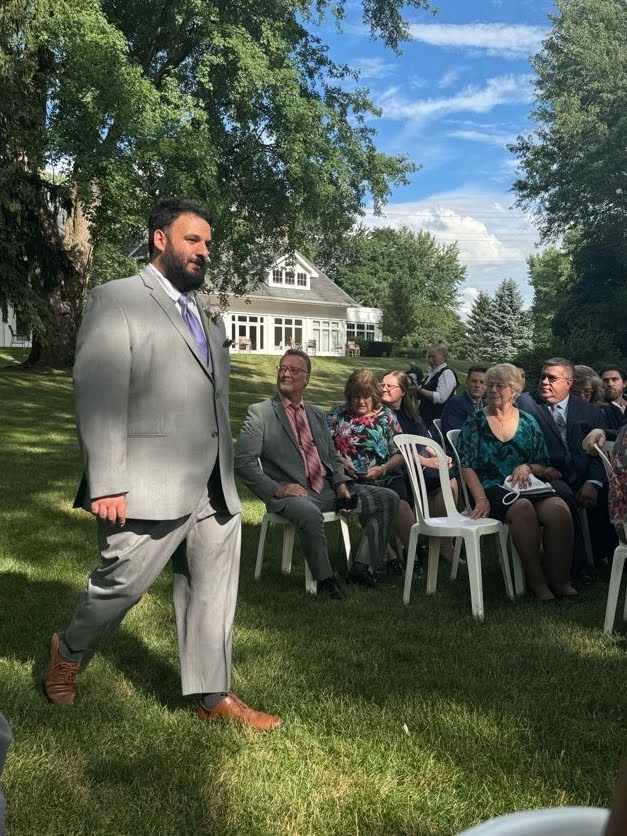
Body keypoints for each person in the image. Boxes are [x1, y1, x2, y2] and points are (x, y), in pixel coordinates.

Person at [43, 198, 281, 731]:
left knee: (213, 592)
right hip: (148, 478)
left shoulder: (203, 311)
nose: (203, 252)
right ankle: (69, 649)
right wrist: (107, 480)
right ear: (160, 239)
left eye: (207, 244)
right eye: (193, 240)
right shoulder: (117, 299)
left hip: (214, 484)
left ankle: (213, 694)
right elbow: (98, 393)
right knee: (120, 583)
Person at [234, 351, 399, 598]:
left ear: (307, 378)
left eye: (294, 370)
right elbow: (243, 462)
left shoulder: (316, 414)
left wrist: (342, 484)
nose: (286, 373)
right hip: (293, 494)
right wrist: (277, 489)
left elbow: (331, 455)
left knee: (387, 499)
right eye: (282, 368)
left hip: (327, 488)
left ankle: (362, 568)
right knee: (310, 514)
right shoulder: (261, 413)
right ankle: (325, 580)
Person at [457, 363, 576, 601]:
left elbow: (541, 463)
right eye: (490, 385)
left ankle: (560, 580)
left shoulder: (529, 422)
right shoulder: (475, 422)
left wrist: (527, 467)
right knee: (522, 509)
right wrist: (480, 498)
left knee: (558, 509)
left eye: (499, 386)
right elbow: (466, 465)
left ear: (514, 391)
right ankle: (537, 581)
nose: (492, 390)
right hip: (490, 487)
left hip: (526, 485)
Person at [516, 357, 607, 578]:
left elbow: (598, 455)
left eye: (552, 378)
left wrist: (593, 482)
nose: (545, 382)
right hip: (546, 474)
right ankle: (574, 570)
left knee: (609, 492)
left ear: (568, 383)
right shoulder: (526, 404)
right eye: (543, 376)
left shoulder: (590, 412)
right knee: (565, 497)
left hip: (583, 472)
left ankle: (606, 557)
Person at [327, 369, 415, 566]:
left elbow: (401, 453)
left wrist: (382, 468)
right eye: (355, 397)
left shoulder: (386, 416)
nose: (360, 401)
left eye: (365, 397)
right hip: (351, 478)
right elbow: (323, 446)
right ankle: (389, 555)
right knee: (368, 501)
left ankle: (413, 554)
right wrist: (341, 461)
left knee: (400, 505)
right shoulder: (337, 414)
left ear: (374, 396)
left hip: (385, 474)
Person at [414, 343, 458, 427]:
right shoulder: (431, 373)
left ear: (444, 357)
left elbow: (440, 398)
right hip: (424, 419)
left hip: (435, 422)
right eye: (429, 357)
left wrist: (419, 389)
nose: (430, 360)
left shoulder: (447, 373)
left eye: (433, 357)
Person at [440, 366, 487, 437]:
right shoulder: (455, 403)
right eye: (474, 381)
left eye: (482, 382)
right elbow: (454, 434)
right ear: (466, 383)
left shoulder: (486, 406)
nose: (478, 385)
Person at [601, 367, 627, 431]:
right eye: (605, 380)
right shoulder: (598, 408)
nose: (610, 384)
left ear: (624, 383)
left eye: (615, 380)